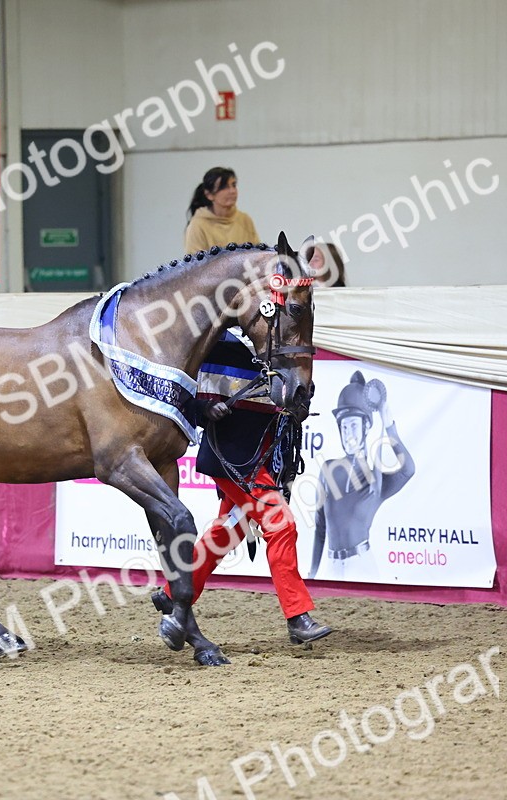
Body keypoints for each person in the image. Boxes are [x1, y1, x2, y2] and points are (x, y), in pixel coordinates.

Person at [151, 327, 333, 647]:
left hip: (262, 454)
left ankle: (172, 597)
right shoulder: (215, 338)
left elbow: (289, 393)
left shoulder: (277, 342)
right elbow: (181, 390)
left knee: (228, 532)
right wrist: (203, 410)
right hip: (231, 456)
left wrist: (300, 401)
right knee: (282, 525)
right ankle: (297, 616)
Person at [310, 371, 416, 580]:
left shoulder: (376, 481)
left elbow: (408, 470)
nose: (348, 433)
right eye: (344, 426)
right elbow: (320, 527)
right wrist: (311, 574)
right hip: (332, 567)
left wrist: (388, 426)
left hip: (361, 566)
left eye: (354, 425)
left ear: (366, 426)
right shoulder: (328, 470)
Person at [184, 167, 260, 253]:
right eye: (224, 187)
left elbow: (256, 255)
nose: (232, 191)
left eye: (233, 185)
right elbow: (196, 264)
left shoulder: (245, 219)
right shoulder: (197, 225)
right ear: (209, 195)